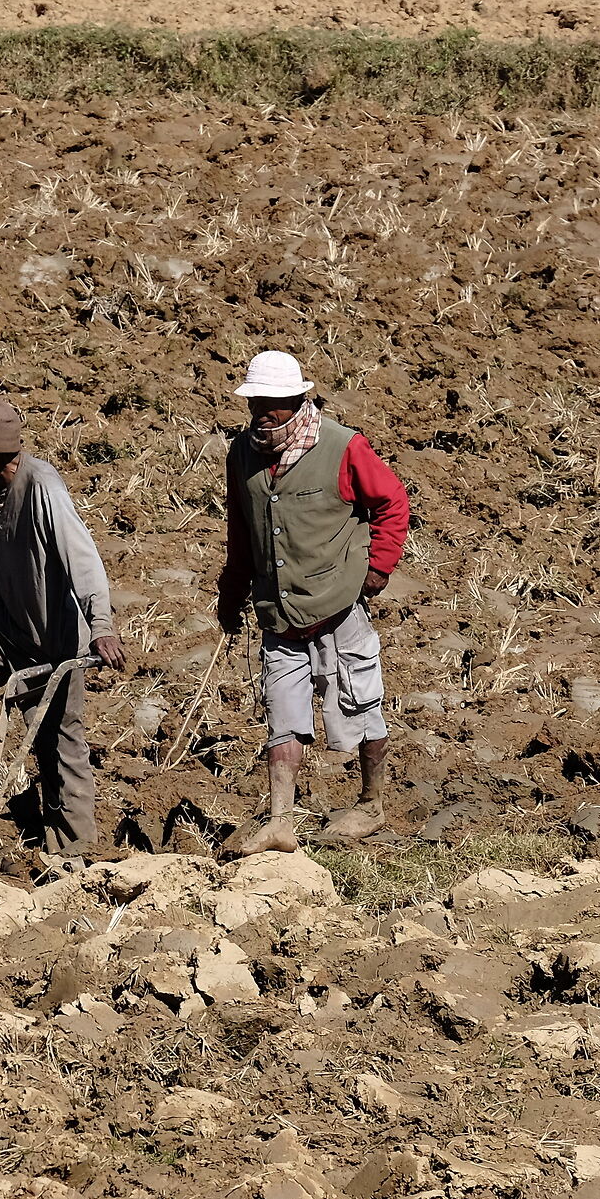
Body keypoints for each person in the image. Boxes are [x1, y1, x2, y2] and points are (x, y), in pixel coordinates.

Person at [215, 351, 411, 853]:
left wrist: (377, 569)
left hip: (337, 603)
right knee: (281, 712)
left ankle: (371, 803)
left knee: (360, 704)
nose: (263, 412)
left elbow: (392, 502)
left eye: (275, 403)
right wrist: (232, 592)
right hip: (278, 612)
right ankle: (281, 820)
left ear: (299, 399)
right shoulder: (243, 454)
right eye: (257, 401)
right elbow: (243, 532)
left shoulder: (343, 447)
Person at [0, 396, 127, 859]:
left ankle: (78, 851)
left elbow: (84, 559)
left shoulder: (42, 486)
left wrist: (101, 625)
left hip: (54, 636)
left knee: (60, 741)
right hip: (4, 625)